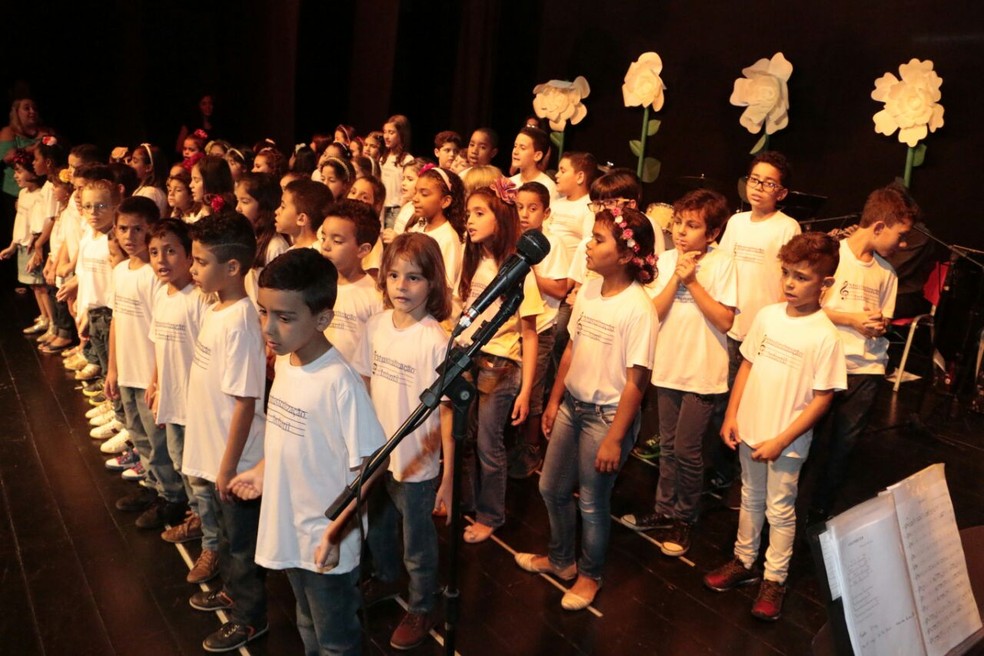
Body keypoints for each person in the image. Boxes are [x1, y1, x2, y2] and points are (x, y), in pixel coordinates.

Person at [229, 249, 386, 655]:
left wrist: (337, 530)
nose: (269, 328)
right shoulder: (286, 363)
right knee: (306, 621)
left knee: (335, 638)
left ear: (321, 319)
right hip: (290, 528)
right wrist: (262, 470)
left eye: (284, 317)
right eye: (264, 313)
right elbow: (293, 439)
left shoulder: (339, 382)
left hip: (324, 540)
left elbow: (375, 463)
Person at [515, 207, 657, 611]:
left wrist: (615, 439)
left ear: (627, 254)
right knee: (551, 487)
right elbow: (571, 349)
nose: (588, 245)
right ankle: (561, 561)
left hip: (606, 417)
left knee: (593, 501)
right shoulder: (591, 290)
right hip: (573, 407)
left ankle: (590, 575)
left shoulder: (638, 309)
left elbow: (636, 383)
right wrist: (555, 399)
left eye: (598, 239)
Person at [704, 232, 846, 621]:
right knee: (749, 496)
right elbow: (747, 364)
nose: (789, 283)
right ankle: (743, 560)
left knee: (780, 509)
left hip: (788, 440)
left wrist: (783, 439)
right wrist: (733, 415)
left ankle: (775, 578)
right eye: (786, 273)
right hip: (750, 428)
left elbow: (823, 398)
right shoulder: (767, 316)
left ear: (826, 284)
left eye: (801, 277)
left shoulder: (825, 335)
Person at [621, 189, 737, 559]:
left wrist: (694, 282)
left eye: (692, 226)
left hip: (703, 370)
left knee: (688, 450)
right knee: (667, 446)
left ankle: (685, 517)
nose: (682, 232)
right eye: (678, 223)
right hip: (668, 366)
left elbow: (725, 319)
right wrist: (677, 277)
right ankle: (664, 508)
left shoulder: (723, 263)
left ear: (713, 233)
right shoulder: (666, 259)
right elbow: (652, 312)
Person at [358, 233, 454, 649]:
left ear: (432, 283)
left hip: (416, 460)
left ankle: (421, 603)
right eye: (394, 275)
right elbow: (364, 381)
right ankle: (384, 577)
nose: (401, 286)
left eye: (413, 277)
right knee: (378, 525)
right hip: (378, 453)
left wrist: (447, 479)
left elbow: (447, 410)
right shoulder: (376, 325)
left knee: (417, 539)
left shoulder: (435, 340)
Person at [182, 213, 268, 652]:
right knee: (232, 538)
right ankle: (235, 594)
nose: (192, 269)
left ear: (232, 267)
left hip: (236, 461)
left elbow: (246, 401)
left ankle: (249, 618)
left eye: (200, 262)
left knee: (242, 546)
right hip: (219, 453)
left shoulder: (240, 320)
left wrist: (229, 465)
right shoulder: (217, 307)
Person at [806, 183, 916, 521]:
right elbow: (806, 309)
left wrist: (877, 325)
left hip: (865, 370)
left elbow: (884, 315)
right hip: (826, 364)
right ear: (879, 226)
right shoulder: (831, 256)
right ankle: (792, 508)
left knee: (844, 447)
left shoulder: (887, 273)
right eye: (900, 235)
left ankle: (820, 513)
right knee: (811, 442)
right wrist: (851, 319)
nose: (903, 244)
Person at [708, 152, 801, 494]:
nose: (759, 188)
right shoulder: (735, 222)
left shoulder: (787, 227)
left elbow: (787, 280)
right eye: (754, 180)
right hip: (729, 323)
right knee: (721, 402)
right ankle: (720, 466)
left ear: (782, 193)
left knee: (746, 402)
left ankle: (738, 473)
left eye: (769, 183)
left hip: (761, 331)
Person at [457, 180, 544, 544]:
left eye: (480, 213)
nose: (470, 221)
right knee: (468, 435)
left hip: (501, 365)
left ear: (501, 217)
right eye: (468, 214)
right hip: (469, 357)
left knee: (489, 444)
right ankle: (469, 500)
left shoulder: (517, 269)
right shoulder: (475, 259)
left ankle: (492, 515)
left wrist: (526, 392)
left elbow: (529, 333)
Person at [104, 197, 191, 532]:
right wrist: (113, 368)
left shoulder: (156, 278)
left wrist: (156, 381)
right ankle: (154, 487)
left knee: (158, 444)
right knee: (139, 436)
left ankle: (171, 497)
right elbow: (116, 322)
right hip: (127, 370)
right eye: (123, 228)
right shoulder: (120, 271)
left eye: (138, 229)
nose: (129, 236)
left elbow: (160, 334)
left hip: (148, 375)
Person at [144, 219, 220, 584]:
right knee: (181, 465)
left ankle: (214, 545)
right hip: (173, 402)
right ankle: (200, 520)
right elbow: (160, 343)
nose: (161, 259)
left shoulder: (200, 299)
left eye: (171, 250)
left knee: (202, 479)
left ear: (190, 256)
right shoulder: (163, 292)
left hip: (197, 408)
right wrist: (156, 382)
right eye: (155, 251)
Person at [509, 181, 571, 478]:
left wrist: (529, 268)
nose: (524, 214)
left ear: (546, 212)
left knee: (532, 390)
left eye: (532, 208)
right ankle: (513, 444)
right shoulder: (511, 236)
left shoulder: (552, 244)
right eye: (519, 207)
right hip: (512, 326)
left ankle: (531, 449)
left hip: (541, 325)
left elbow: (559, 289)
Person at [320, 199, 384, 363]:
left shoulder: (373, 296)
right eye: (323, 237)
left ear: (363, 250)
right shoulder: (315, 285)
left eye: (337, 241)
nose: (326, 246)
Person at [0, 151, 46, 331]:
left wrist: (36, 247)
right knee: (34, 286)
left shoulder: (39, 196)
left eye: (19, 171)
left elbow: (37, 225)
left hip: (32, 247)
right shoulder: (24, 194)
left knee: (40, 285)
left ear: (32, 173)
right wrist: (12, 246)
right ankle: (44, 316)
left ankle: (50, 320)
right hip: (22, 246)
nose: (15, 175)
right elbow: (20, 225)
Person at [406, 165, 466, 301]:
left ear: (445, 201)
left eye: (424, 194)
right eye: (416, 192)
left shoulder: (448, 238)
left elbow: (445, 286)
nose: (415, 198)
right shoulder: (417, 228)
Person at [276, 178, 332, 251]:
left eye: (283, 207)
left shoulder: (317, 255)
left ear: (301, 219)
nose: (277, 211)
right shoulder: (291, 251)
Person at [380, 115, 413, 228]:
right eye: (385, 132)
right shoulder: (383, 158)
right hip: (382, 208)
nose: (386, 136)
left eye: (391, 132)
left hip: (395, 209)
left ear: (401, 135)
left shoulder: (407, 160)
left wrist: (402, 210)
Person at [508, 127, 558, 199]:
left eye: (522, 148)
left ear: (537, 155)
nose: (515, 152)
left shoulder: (548, 186)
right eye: (515, 146)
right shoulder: (510, 183)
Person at [128, 143, 169, 217]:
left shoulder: (151, 193)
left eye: (135, 161)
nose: (130, 164)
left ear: (148, 167)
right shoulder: (144, 189)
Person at [190, 155, 236, 220]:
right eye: (192, 179)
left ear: (212, 181)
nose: (190, 185)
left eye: (196, 180)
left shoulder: (224, 217)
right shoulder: (196, 209)